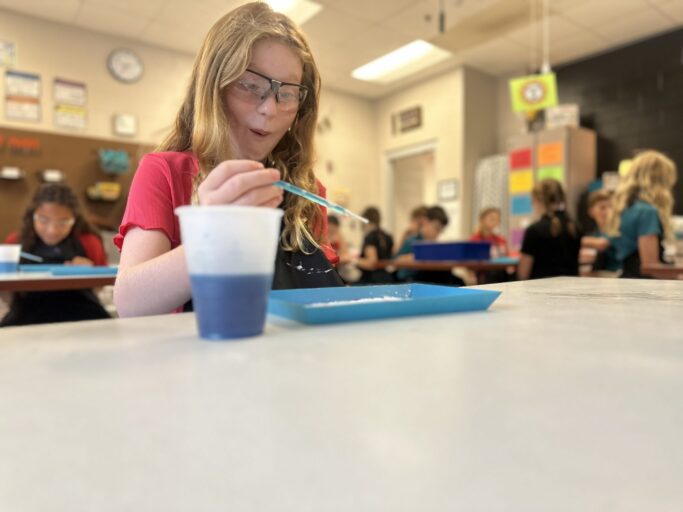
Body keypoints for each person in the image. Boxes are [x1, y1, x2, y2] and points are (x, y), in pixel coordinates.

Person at [113, 2, 343, 317]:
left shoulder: (307, 190)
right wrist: (215, 231)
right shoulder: (166, 171)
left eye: (287, 93)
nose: (269, 110)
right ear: (214, 88)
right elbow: (130, 303)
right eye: (250, 85)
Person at [1, 183, 110, 326]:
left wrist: (89, 272)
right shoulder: (15, 242)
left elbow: (100, 287)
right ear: (32, 216)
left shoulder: (89, 241)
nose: (52, 230)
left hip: (82, 313)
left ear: (74, 219)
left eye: (63, 222)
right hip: (27, 314)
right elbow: (6, 292)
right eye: (43, 220)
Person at [607, 150, 677, 278]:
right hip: (643, 286)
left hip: (627, 281)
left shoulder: (624, 209)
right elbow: (650, 267)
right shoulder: (647, 212)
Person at [518, 179, 581, 280]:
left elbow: (523, 274)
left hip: (540, 292)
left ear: (537, 200)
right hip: (571, 291)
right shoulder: (575, 228)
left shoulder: (534, 230)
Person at [394, 205, 463, 286]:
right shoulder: (413, 241)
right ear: (425, 221)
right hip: (412, 279)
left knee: (459, 281)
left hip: (430, 277)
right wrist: (418, 256)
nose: (437, 234)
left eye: (440, 231)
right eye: (436, 228)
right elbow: (396, 261)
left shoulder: (434, 245)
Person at [469, 206, 511, 284]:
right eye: (491, 218)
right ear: (481, 220)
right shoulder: (474, 240)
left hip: (501, 273)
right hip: (483, 275)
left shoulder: (501, 239)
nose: (495, 221)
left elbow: (506, 257)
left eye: (497, 219)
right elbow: (470, 263)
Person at [355, 207, 394, 284]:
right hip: (386, 278)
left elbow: (371, 263)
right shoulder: (388, 236)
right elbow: (392, 256)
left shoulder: (370, 237)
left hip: (371, 280)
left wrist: (353, 261)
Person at [580, 189, 614, 272]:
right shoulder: (594, 234)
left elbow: (603, 243)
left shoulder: (617, 232)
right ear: (591, 212)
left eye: (611, 207)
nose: (608, 212)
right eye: (602, 208)